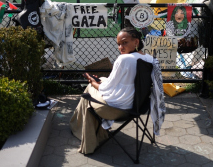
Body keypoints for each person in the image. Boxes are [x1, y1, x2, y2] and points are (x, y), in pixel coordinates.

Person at [69, 27, 165, 155]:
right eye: (119, 44)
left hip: (116, 109)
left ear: (136, 42)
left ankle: (84, 133)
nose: (120, 47)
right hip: (139, 106)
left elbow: (106, 88)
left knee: (88, 90)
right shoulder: (150, 59)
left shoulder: (124, 59)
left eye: (124, 42)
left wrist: (93, 82)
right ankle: (92, 131)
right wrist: (100, 81)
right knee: (102, 79)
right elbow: (116, 83)